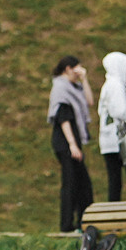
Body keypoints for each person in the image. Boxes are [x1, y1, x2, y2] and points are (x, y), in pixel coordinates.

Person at [49, 56, 94, 233]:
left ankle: (82, 220)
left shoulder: (75, 87)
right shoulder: (61, 88)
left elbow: (89, 101)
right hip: (65, 141)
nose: (79, 70)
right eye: (77, 67)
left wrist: (85, 79)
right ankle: (67, 225)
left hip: (73, 141)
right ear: (68, 69)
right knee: (71, 182)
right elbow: (63, 118)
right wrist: (72, 145)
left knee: (81, 182)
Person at [97, 51, 126, 202]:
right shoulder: (116, 85)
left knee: (114, 181)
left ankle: (114, 217)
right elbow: (121, 112)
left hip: (108, 140)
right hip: (120, 140)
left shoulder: (108, 85)